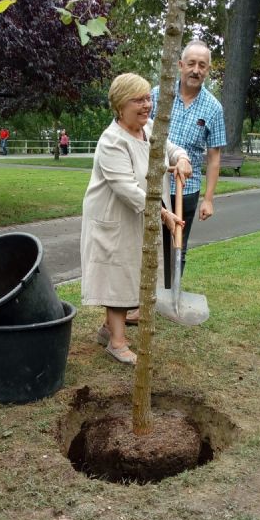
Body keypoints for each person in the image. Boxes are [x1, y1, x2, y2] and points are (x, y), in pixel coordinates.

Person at [80, 73, 192, 365]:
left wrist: (182, 159)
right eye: (139, 100)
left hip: (139, 214)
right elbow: (127, 189)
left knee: (133, 270)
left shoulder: (148, 129)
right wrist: (165, 214)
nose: (147, 105)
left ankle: (108, 330)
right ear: (120, 106)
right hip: (114, 216)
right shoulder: (112, 141)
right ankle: (117, 343)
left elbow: (170, 147)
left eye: (148, 98)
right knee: (117, 274)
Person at [126, 39, 226, 325]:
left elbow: (214, 156)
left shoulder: (213, 108)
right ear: (180, 65)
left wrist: (209, 198)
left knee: (175, 248)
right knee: (142, 244)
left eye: (202, 65)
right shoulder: (156, 96)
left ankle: (169, 298)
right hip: (151, 187)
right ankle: (136, 301)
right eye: (191, 63)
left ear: (208, 70)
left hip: (186, 191)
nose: (196, 70)